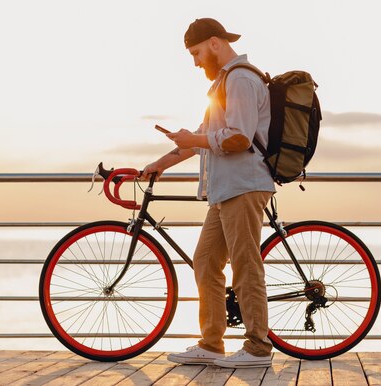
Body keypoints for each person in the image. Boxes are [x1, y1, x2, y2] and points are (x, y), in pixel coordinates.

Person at [141, 18, 275, 368]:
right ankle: (212, 344)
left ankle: (258, 348)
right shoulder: (222, 83)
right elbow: (202, 137)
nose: (195, 62)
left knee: (246, 266)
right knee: (205, 262)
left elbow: (239, 138)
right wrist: (159, 164)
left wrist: (195, 139)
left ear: (215, 43)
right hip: (224, 190)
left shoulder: (242, 79)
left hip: (244, 186)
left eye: (197, 52)